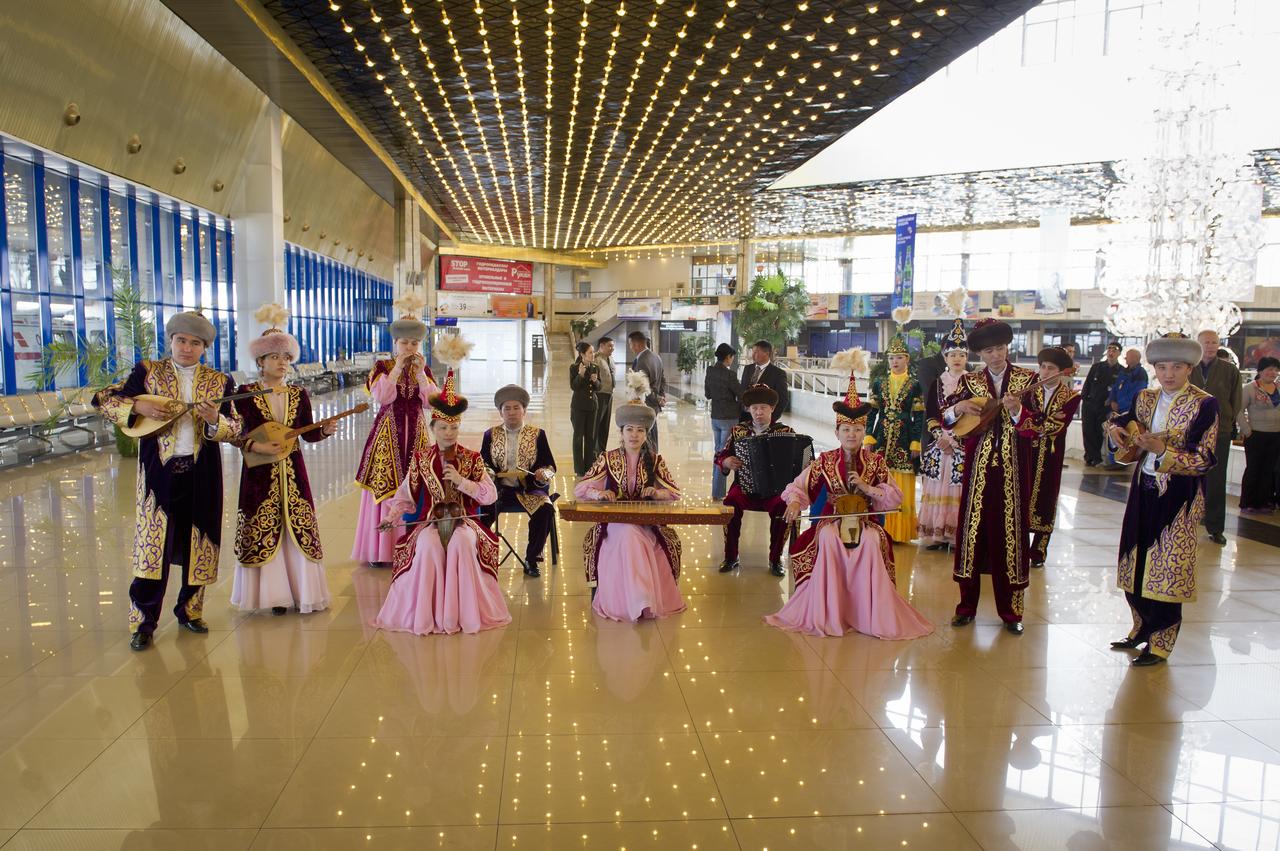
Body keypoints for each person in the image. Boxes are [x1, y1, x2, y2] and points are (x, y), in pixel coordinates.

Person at [92, 311, 242, 651]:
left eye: (195, 343)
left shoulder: (220, 382)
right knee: (152, 546)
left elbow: (237, 428)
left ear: (204, 347)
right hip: (158, 473)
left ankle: (190, 610)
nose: (187, 348)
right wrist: (141, 407)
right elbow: (104, 400)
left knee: (201, 541)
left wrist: (215, 419)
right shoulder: (148, 372)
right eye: (181, 341)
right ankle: (143, 622)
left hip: (202, 472)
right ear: (170, 341)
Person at [765, 366, 933, 640]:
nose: (852, 435)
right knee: (830, 539)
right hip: (830, 522)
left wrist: (869, 488)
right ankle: (830, 613)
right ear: (837, 432)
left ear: (863, 431)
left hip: (865, 523)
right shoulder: (825, 461)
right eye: (846, 429)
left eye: (857, 429)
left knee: (869, 543)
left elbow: (894, 496)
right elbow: (799, 486)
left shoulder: (877, 462)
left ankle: (869, 614)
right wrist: (795, 502)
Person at [1106, 335, 1218, 666]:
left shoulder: (1204, 404)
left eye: (1177, 367)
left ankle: (1161, 642)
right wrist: (1116, 431)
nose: (1168, 374)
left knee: (1167, 567)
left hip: (1180, 497)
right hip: (1144, 488)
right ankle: (1140, 628)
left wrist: (1164, 452)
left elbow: (1206, 458)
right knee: (1134, 558)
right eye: (1162, 367)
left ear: (1190, 368)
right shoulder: (1145, 398)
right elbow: (1121, 422)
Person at [374, 366, 511, 635]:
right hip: (430, 523)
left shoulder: (472, 458)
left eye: (455, 427)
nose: (450, 433)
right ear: (433, 427)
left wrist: (462, 482)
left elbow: (490, 494)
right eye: (445, 427)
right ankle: (429, 616)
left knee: (462, 544)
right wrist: (391, 517)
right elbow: (406, 495)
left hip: (465, 523)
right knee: (427, 547)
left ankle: (463, 616)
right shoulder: (421, 458)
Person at [230, 312, 335, 616]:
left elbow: (307, 431)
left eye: (286, 357)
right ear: (260, 361)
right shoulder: (245, 394)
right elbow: (236, 433)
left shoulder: (298, 393)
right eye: (273, 357)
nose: (281, 363)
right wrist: (256, 445)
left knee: (296, 528)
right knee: (264, 526)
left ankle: (300, 590)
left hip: (293, 473)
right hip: (259, 474)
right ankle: (271, 595)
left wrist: (323, 431)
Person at [940, 318, 1036, 635]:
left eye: (1000, 348)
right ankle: (965, 607)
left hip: (1013, 470)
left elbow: (1037, 427)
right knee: (972, 533)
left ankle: (1011, 612)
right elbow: (948, 416)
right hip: (977, 469)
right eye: (989, 350)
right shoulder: (970, 382)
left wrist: (1017, 411)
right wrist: (961, 408)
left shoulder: (1026, 379)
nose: (996, 355)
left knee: (1010, 534)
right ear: (980, 353)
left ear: (1008, 348)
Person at [575, 399, 685, 622]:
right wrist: (600, 494)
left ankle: (641, 599)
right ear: (621, 432)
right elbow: (581, 488)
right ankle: (640, 599)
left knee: (639, 536)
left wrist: (656, 493)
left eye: (640, 430)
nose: (634, 435)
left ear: (646, 435)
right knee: (628, 535)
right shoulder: (608, 458)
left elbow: (674, 492)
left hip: (647, 523)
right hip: (615, 522)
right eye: (629, 430)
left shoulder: (655, 460)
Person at [352, 312, 438, 566]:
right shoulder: (382, 368)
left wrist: (421, 374)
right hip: (387, 434)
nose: (409, 347)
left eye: (414, 343)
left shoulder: (424, 369)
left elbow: (432, 402)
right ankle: (381, 550)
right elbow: (383, 397)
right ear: (395, 343)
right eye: (404, 343)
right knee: (386, 482)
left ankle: (414, 545)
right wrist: (398, 368)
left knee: (416, 483)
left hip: (418, 434)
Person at [714, 384, 794, 576]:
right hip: (744, 486)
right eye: (755, 408)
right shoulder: (738, 431)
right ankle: (731, 556)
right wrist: (726, 461)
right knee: (731, 502)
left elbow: (797, 463)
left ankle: (775, 559)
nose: (759, 412)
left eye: (763, 408)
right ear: (748, 409)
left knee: (783, 505)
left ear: (772, 409)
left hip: (775, 490)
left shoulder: (786, 432)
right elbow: (720, 455)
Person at [479, 384, 557, 577]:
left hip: (529, 490)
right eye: (507, 408)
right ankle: (480, 556)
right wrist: (488, 473)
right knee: (478, 510)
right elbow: (483, 463)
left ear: (524, 411)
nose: (512, 412)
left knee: (545, 509)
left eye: (516, 408)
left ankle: (531, 559)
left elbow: (549, 466)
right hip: (499, 491)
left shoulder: (538, 434)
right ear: (500, 412)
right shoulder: (490, 435)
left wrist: (542, 475)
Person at [1020, 347, 1082, 568]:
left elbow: (1055, 426)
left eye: (1051, 368)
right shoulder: (1028, 391)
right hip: (1027, 450)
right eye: (1043, 367)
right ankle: (1018, 548)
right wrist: (1034, 420)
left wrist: (1033, 420)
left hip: (1051, 453)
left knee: (1047, 496)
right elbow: (1021, 420)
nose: (1045, 372)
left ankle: (1038, 551)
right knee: (1023, 493)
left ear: (1062, 372)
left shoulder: (1071, 396)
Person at [864, 333, 924, 543]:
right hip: (882, 435)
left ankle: (899, 532)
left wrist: (916, 441)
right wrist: (869, 437)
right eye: (891, 358)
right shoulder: (879, 383)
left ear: (907, 359)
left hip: (904, 437)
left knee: (902, 479)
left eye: (899, 357)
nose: (895, 361)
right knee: (879, 478)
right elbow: (872, 412)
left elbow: (919, 417)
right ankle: (880, 527)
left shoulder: (915, 384)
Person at [918, 319, 969, 550]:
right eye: (952, 354)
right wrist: (940, 436)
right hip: (939, 446)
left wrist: (956, 439)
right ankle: (937, 534)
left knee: (959, 489)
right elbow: (930, 414)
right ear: (945, 357)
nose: (957, 358)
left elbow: (979, 415)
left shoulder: (975, 383)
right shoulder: (937, 383)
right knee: (938, 487)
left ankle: (956, 535)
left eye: (961, 354)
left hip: (963, 446)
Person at [1190, 329, 1242, 544]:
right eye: (1206, 342)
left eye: (1214, 342)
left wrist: (1226, 423)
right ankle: (1186, 521)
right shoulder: (1188, 368)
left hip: (1219, 432)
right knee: (1188, 476)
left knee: (1216, 479)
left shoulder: (1230, 371)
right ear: (1198, 344)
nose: (1210, 346)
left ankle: (1215, 526)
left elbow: (1235, 400)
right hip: (1191, 431)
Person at [1237, 356, 1280, 512]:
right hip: (1255, 434)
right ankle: (1248, 502)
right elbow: (1239, 410)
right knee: (1253, 468)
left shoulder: (1279, 387)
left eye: (1275, 369)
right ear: (1261, 371)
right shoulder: (1250, 388)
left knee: (1269, 470)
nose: (1273, 372)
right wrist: (1247, 430)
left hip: (1275, 435)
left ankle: (1263, 502)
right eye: (1269, 369)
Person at [704, 342, 740, 500]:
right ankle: (718, 493)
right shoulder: (730, 375)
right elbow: (740, 392)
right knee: (723, 454)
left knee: (718, 452)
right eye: (732, 357)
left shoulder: (710, 371)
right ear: (728, 357)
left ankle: (717, 491)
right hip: (729, 417)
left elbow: (707, 394)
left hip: (716, 417)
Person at [1081, 342, 1122, 467]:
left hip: (1106, 407)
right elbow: (1087, 384)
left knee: (1100, 431)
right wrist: (1085, 399)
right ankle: (1090, 457)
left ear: (1119, 353)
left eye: (1114, 349)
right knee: (1088, 430)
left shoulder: (1121, 371)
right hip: (1090, 403)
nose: (1111, 352)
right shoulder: (1097, 367)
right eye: (1109, 349)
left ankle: (1096, 457)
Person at [1106, 349, 1148, 469]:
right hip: (1117, 408)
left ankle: (1121, 459)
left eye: (1128, 357)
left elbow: (1137, 392)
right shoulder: (1123, 371)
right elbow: (1115, 387)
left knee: (1126, 434)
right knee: (1113, 429)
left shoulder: (1140, 374)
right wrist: (1112, 400)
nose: (1125, 359)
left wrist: (1122, 404)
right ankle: (1113, 459)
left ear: (1136, 358)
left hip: (1128, 408)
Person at [627, 331, 666, 447]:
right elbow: (662, 379)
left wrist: (658, 399)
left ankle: (650, 462)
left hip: (646, 405)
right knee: (653, 434)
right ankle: (655, 460)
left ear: (636, 345)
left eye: (630, 344)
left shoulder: (642, 361)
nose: (630, 348)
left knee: (646, 440)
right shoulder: (656, 357)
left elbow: (644, 389)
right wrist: (662, 396)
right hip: (654, 405)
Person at [738, 339, 789, 422]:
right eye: (753, 352)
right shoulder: (748, 368)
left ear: (767, 353)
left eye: (756, 352)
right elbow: (742, 391)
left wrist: (771, 419)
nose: (753, 355)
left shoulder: (778, 373)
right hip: (743, 417)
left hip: (763, 419)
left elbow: (783, 399)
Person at [570, 340, 601, 475]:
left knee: (591, 438)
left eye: (593, 352)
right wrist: (580, 375)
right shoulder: (574, 367)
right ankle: (579, 469)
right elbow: (574, 386)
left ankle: (589, 467)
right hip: (578, 407)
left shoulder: (595, 367)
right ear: (582, 354)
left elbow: (599, 387)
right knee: (578, 438)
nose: (593, 354)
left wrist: (596, 381)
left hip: (592, 407)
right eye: (590, 352)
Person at [593, 336, 616, 460]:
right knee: (597, 423)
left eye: (613, 346)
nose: (612, 349)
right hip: (600, 394)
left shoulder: (610, 359)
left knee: (605, 425)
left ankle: (602, 449)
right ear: (601, 346)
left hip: (609, 394)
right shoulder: (596, 359)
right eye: (610, 346)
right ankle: (594, 451)